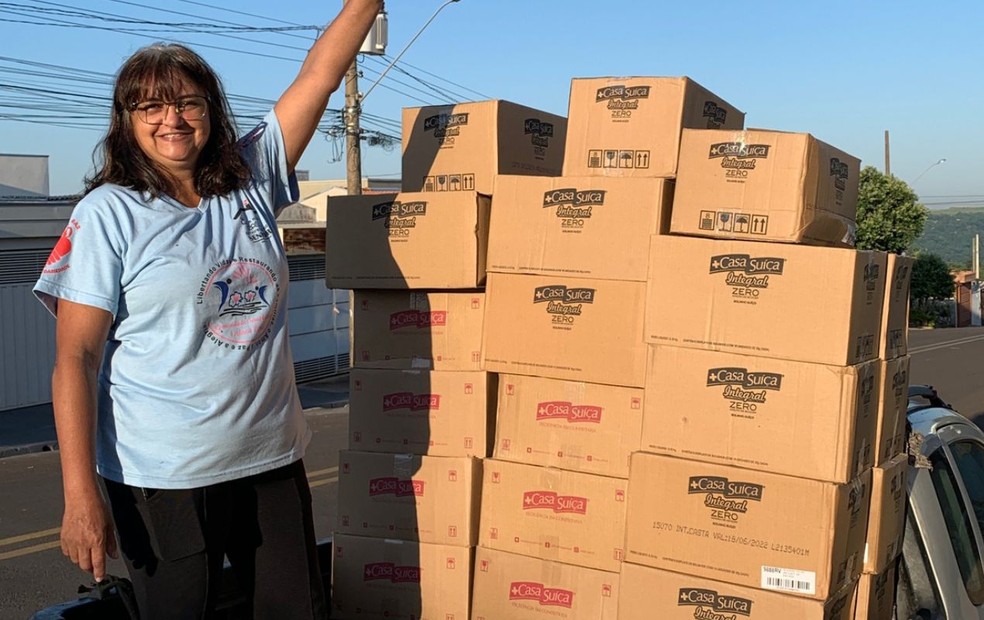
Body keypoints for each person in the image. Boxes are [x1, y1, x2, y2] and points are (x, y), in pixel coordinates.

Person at [32, 2, 383, 618]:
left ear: (212, 112)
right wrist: (80, 493)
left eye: (188, 103)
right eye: (150, 106)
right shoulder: (108, 214)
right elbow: (76, 358)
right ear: (127, 120)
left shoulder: (251, 178)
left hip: (270, 459)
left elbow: (320, 75)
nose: (172, 119)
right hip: (162, 476)